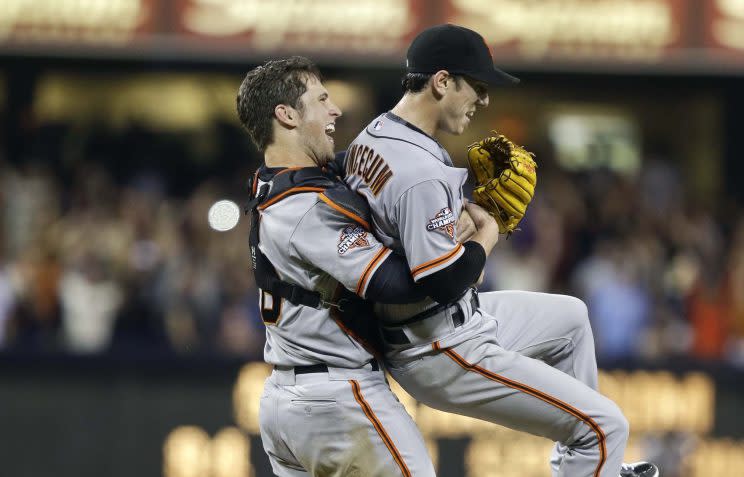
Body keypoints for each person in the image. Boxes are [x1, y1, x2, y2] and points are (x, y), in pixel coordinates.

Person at [342, 24, 659, 477]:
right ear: (442, 81)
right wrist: (487, 230)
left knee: (571, 318)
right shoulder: (422, 171)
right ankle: (595, 454)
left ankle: (585, 466)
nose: (484, 100)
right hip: (438, 348)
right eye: (477, 85)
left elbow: (401, 232)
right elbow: (444, 281)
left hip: (430, 326)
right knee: (607, 425)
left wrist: (463, 219)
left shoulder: (372, 136)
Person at [236, 55, 495, 477]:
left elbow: (352, 172)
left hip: (288, 403)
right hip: (337, 400)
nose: (334, 109)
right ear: (285, 115)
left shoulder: (276, 182)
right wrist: (478, 239)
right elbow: (397, 284)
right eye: (321, 99)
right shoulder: (305, 209)